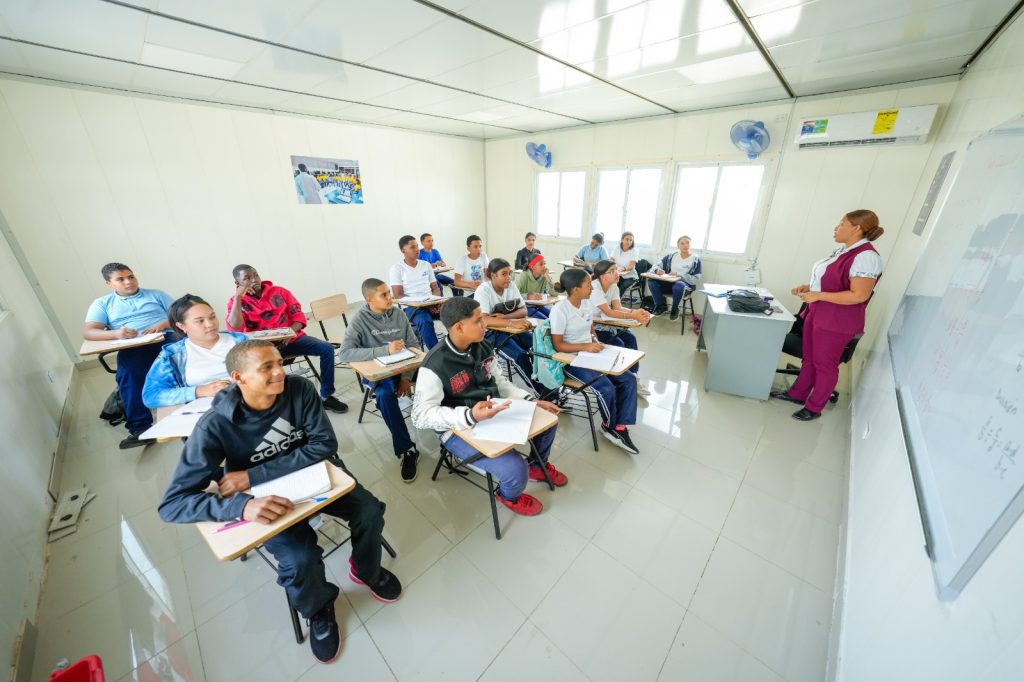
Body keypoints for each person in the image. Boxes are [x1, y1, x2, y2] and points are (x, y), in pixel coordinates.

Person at [158, 340, 401, 665]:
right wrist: (240, 506)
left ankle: (365, 569)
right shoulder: (215, 425)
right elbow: (173, 503)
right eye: (266, 368)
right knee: (299, 559)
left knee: (369, 512)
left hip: (313, 477)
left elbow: (324, 443)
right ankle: (319, 608)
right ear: (238, 378)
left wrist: (252, 475)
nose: (279, 372)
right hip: (264, 500)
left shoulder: (299, 389)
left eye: (279, 363)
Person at [411, 297, 567, 516]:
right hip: (458, 427)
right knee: (515, 470)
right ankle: (507, 495)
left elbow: (500, 382)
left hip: (493, 410)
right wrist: (468, 415)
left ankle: (537, 465)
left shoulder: (483, 345)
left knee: (547, 420)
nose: (485, 324)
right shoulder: (435, 363)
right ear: (459, 327)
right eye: (478, 321)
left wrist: (529, 400)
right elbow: (419, 416)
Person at [772, 210, 885, 421]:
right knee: (809, 358)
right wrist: (808, 288)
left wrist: (818, 295)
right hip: (817, 313)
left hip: (836, 321)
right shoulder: (841, 251)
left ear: (856, 228)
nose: (836, 227)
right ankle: (798, 394)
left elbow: (859, 295)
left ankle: (814, 407)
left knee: (824, 364)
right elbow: (831, 281)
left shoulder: (867, 257)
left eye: (841, 223)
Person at [226, 265, 348, 413]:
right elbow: (235, 327)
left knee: (326, 348)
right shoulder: (235, 302)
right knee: (257, 368)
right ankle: (274, 403)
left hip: (291, 339)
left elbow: (298, 316)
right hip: (262, 349)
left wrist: (290, 333)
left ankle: (326, 396)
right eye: (247, 278)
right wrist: (239, 297)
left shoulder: (280, 292)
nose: (254, 280)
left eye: (256, 275)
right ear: (237, 284)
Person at [338, 278, 422, 482]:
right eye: (383, 294)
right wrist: (385, 350)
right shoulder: (360, 319)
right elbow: (345, 354)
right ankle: (407, 449)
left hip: (404, 367)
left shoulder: (399, 314)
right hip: (379, 373)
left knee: (437, 374)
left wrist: (405, 377)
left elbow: (413, 344)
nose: (389, 297)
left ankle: (451, 430)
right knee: (384, 395)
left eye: (388, 293)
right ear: (369, 299)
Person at [83, 262, 174, 449]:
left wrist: (164, 324)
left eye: (131, 277)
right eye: (120, 279)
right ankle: (141, 429)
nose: (128, 282)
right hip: (133, 345)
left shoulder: (157, 295)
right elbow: (90, 332)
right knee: (129, 375)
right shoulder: (103, 304)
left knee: (185, 357)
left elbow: (182, 315)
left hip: (166, 337)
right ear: (109, 283)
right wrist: (116, 334)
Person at [550, 268, 639, 455]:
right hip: (570, 360)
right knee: (606, 387)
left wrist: (595, 342)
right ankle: (609, 425)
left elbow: (591, 330)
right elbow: (558, 345)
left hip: (589, 354)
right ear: (575, 289)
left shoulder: (585, 304)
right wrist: (585, 347)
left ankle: (619, 426)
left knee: (628, 378)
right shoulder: (560, 310)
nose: (592, 287)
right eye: (588, 284)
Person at [142, 294, 248, 408]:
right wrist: (199, 391)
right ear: (182, 326)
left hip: (250, 402)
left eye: (212, 317)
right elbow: (151, 396)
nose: (210, 324)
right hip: (205, 412)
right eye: (200, 321)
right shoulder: (172, 355)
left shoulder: (241, 341)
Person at [475, 258, 544, 394]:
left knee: (538, 349)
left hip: (512, 329)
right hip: (491, 334)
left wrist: (505, 317)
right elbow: (485, 319)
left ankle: (549, 385)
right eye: (504, 274)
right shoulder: (483, 290)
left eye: (509, 273)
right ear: (493, 275)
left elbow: (524, 310)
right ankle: (543, 392)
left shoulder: (511, 286)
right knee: (520, 356)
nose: (509, 277)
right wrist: (512, 321)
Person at [590, 260, 652, 396]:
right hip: (592, 328)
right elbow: (608, 312)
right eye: (611, 271)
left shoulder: (613, 286)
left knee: (630, 338)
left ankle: (633, 377)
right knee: (619, 343)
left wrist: (636, 312)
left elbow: (617, 308)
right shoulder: (595, 288)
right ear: (602, 276)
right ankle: (622, 380)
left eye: (616, 269)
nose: (616, 273)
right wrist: (634, 315)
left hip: (607, 324)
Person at [389, 235, 443, 349]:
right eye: (413, 247)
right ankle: (437, 354)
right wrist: (422, 304)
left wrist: (436, 302)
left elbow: (435, 288)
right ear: (403, 250)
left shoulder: (426, 265)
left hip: (430, 303)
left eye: (417, 246)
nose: (417, 249)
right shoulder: (397, 269)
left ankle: (455, 349)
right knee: (424, 320)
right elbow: (398, 295)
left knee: (454, 313)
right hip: (412, 308)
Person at [650, 235, 702, 319]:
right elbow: (656, 265)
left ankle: (674, 309)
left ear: (690, 244)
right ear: (678, 246)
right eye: (682, 243)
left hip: (684, 287)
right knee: (651, 282)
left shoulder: (695, 259)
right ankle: (661, 306)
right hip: (668, 284)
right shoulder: (671, 256)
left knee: (679, 285)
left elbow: (695, 279)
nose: (685, 245)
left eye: (687, 243)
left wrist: (679, 275)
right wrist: (657, 270)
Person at [515, 254, 556, 318]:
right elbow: (512, 296)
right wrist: (528, 296)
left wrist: (548, 279)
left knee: (555, 316)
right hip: (523, 308)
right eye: (541, 264)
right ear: (532, 267)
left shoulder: (544, 276)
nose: (544, 267)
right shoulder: (523, 276)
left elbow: (554, 294)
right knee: (545, 320)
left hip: (537, 306)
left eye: (544, 264)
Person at [418, 232, 459, 296]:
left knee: (455, 283)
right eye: (429, 241)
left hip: (437, 275)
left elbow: (443, 263)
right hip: (427, 278)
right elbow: (419, 269)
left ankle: (456, 301)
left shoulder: (435, 251)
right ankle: (440, 305)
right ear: (422, 243)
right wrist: (430, 266)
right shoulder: (419, 253)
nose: (431, 243)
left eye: (432, 240)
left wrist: (441, 264)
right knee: (439, 287)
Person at [610, 231, 641, 297]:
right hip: (618, 274)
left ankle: (616, 304)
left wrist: (623, 269)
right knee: (612, 284)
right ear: (622, 239)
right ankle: (609, 302)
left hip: (631, 277)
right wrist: (612, 269)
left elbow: (630, 266)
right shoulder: (617, 248)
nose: (629, 242)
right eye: (627, 239)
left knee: (623, 286)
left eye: (631, 240)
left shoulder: (634, 251)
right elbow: (611, 261)